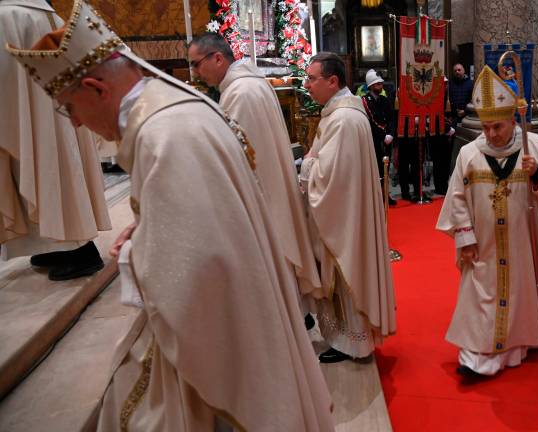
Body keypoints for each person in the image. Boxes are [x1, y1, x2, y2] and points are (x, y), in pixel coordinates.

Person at [6, 1, 335, 429]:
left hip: (223, 334)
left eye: (70, 107)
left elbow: (192, 273)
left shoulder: (163, 137)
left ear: (96, 88)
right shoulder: (171, 109)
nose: (73, 123)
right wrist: (150, 225)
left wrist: (133, 253)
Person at [436, 65, 538, 377]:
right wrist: (464, 237)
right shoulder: (469, 154)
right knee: (482, 295)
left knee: (518, 293)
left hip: (521, 243)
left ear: (513, 119)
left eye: (497, 127)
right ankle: (478, 356)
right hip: (482, 244)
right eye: (485, 128)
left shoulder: (534, 147)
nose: (490, 134)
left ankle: (516, 346)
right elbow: (456, 196)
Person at [187, 33, 322, 298]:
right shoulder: (249, 84)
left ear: (217, 58)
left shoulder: (241, 93)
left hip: (264, 196)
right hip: (272, 189)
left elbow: (238, 158)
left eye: (196, 63)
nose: (194, 73)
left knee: (272, 265)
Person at [1, 0, 111, 281]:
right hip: (51, 110)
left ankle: (79, 250)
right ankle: (56, 244)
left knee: (42, 159)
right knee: (51, 159)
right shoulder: (40, 10)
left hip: (33, 110)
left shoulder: (9, 14)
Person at [300, 52, 396, 363]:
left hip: (343, 217)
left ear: (333, 81)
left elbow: (328, 177)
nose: (307, 84)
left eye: (312, 78)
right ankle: (344, 337)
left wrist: (304, 169)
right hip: (345, 212)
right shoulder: (338, 113)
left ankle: (352, 343)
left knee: (345, 273)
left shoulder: (343, 120)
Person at [359, 69, 397, 205]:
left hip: (387, 140)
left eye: (381, 84)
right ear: (370, 86)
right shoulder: (364, 101)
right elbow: (371, 121)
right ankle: (376, 196)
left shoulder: (385, 100)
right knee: (376, 169)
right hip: (374, 140)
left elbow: (392, 118)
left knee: (386, 167)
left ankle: (386, 194)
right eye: (377, 84)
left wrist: (391, 134)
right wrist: (384, 135)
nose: (380, 86)